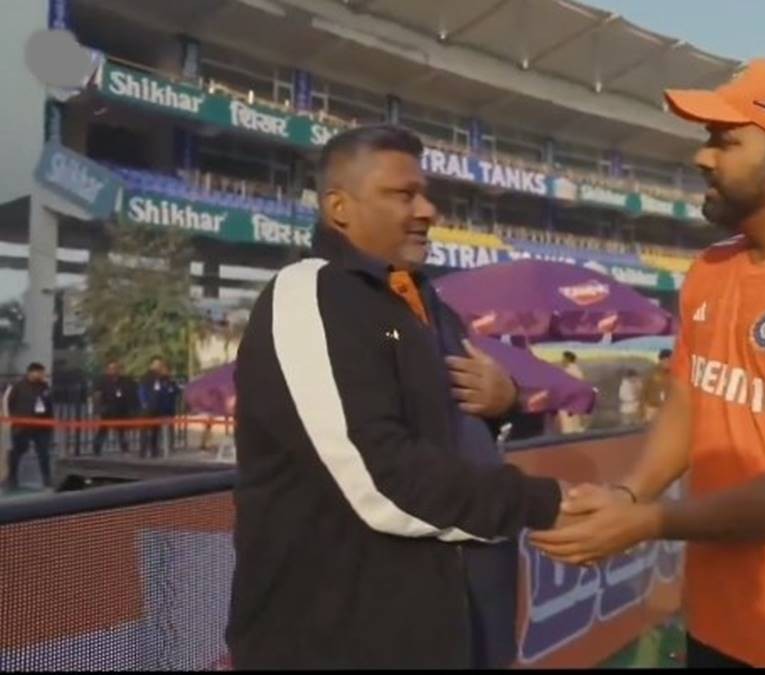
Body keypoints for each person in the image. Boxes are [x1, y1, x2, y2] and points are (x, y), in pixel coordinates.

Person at [532, 60, 765, 667]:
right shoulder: (711, 269)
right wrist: (628, 494)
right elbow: (690, 404)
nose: (702, 157)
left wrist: (647, 522)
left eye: (725, 141)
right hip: (715, 619)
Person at [226, 124, 567, 670]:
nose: (428, 210)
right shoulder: (311, 292)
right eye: (403, 195)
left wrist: (507, 404)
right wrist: (544, 503)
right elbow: (379, 478)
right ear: (339, 207)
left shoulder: (430, 304)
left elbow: (456, 437)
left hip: (454, 634)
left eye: (425, 194)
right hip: (337, 642)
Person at [4, 362, 54, 491]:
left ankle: (47, 479)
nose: (42, 375)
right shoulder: (17, 386)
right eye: (40, 372)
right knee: (17, 452)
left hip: (41, 426)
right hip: (22, 425)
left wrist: (50, 422)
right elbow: (8, 403)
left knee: (44, 453)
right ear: (31, 372)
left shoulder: (44, 386)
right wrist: (12, 420)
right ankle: (12, 479)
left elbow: (49, 404)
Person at [91, 360, 138, 456]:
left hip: (120, 409)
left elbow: (131, 393)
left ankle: (124, 449)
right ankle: (96, 449)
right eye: (112, 368)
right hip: (107, 409)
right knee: (103, 430)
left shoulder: (124, 380)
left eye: (116, 368)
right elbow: (97, 395)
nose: (114, 370)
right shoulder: (102, 380)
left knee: (121, 430)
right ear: (107, 370)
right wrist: (98, 410)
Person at [138, 356, 174, 458]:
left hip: (158, 408)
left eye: (160, 365)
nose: (158, 367)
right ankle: (143, 452)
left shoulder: (162, 378)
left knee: (155, 431)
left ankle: (154, 451)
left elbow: (166, 391)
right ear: (151, 365)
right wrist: (144, 402)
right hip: (147, 408)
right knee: (144, 430)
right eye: (156, 364)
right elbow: (141, 390)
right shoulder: (146, 376)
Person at [557, 351, 586, 434]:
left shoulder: (568, 371)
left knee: (568, 427)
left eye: (563, 358)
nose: (562, 361)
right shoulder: (578, 371)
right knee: (575, 425)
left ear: (568, 359)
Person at [640, 349, 672, 422]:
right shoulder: (651, 372)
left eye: (671, 361)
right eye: (666, 361)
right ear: (661, 360)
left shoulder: (674, 373)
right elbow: (643, 391)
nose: (668, 363)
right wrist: (642, 411)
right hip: (652, 408)